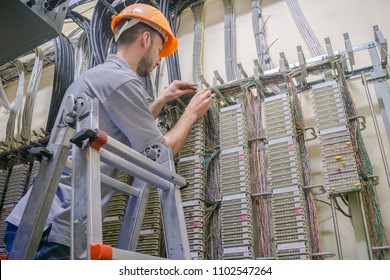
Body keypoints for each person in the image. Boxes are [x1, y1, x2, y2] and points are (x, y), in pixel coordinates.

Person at [4, 3, 211, 259]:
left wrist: (160, 100)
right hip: (56, 225)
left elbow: (119, 120)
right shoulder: (122, 80)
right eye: (159, 49)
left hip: (39, 219)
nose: (159, 60)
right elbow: (160, 154)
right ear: (146, 39)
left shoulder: (101, 76)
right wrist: (191, 114)